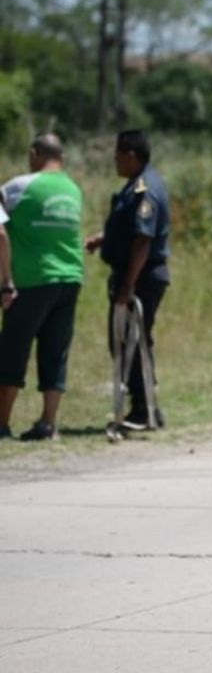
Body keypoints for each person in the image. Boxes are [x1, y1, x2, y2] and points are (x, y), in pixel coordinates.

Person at [85, 129, 172, 431]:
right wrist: (103, 239)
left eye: (118, 156)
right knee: (134, 341)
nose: (115, 162)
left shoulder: (144, 189)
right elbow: (129, 229)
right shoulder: (138, 184)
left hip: (142, 276)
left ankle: (143, 409)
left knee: (128, 341)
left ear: (131, 156)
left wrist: (127, 286)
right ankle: (147, 405)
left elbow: (142, 241)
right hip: (139, 273)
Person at [0, 134, 85, 442]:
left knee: (13, 350)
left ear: (35, 153)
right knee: (55, 352)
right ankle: (48, 423)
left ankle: (2, 423)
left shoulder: (19, 187)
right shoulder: (73, 190)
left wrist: (5, 280)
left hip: (33, 280)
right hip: (70, 278)